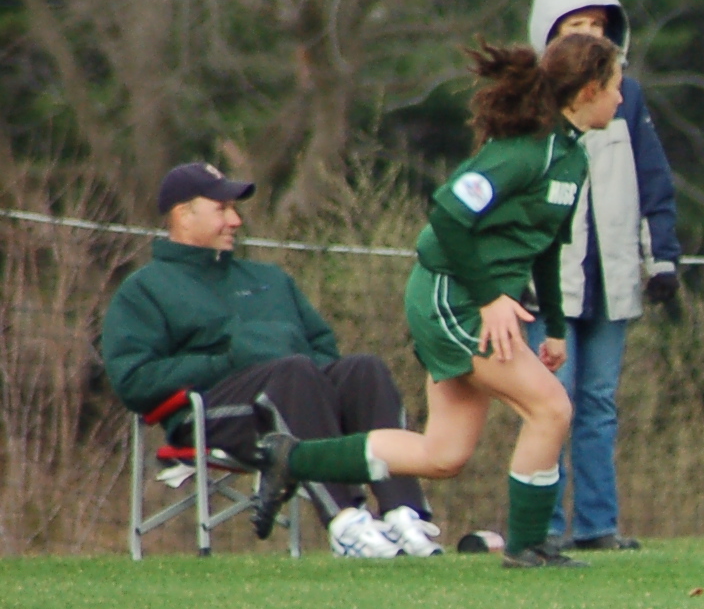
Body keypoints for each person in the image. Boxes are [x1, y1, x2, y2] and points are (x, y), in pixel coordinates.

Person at [251, 32, 613, 566]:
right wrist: (490, 299)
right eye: (615, 85)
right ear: (588, 91)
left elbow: (546, 248)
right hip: (451, 297)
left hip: (476, 304)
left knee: (443, 455)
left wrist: (555, 326)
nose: (621, 97)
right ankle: (528, 546)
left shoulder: (570, 159)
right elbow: (448, 214)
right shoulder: (524, 152)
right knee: (551, 408)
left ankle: (292, 459)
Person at [102, 162, 441, 558]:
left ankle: (404, 514)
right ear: (183, 215)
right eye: (222, 209)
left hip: (300, 399)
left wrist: (305, 374)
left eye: (235, 209)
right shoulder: (145, 289)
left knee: (364, 369)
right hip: (212, 415)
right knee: (293, 372)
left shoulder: (270, 279)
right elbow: (133, 380)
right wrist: (225, 362)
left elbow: (323, 348)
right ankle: (345, 522)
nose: (235, 220)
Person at [526, 0, 683, 549]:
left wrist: (661, 260)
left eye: (598, 26)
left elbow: (653, 180)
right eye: (576, 25)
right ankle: (540, 527)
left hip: (612, 276)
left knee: (598, 405)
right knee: (552, 404)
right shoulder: (529, 101)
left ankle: (597, 525)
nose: (590, 35)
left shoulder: (627, 97)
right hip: (547, 285)